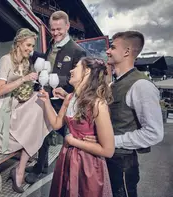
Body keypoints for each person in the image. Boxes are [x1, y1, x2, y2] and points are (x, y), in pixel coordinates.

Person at [84, 31, 164, 197]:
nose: (107, 51)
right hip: (108, 159)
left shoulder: (141, 85)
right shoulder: (114, 84)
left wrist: (111, 141)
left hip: (122, 164)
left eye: (112, 47)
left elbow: (154, 133)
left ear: (126, 52)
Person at [38, 57, 115, 197]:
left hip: (88, 163)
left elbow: (108, 150)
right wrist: (46, 102)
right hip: (67, 158)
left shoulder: (98, 104)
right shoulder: (70, 98)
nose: (71, 70)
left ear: (87, 71)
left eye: (76, 67)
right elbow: (56, 124)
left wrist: (73, 141)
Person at [25, 10, 86, 184]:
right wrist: (30, 53)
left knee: (69, 134)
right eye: (52, 29)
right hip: (47, 96)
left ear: (67, 26)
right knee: (42, 131)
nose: (56, 33)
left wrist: (57, 79)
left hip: (64, 99)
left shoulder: (77, 51)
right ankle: (41, 166)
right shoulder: (52, 44)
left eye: (59, 29)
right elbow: (47, 61)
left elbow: (80, 77)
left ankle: (74, 173)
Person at [0, 28, 52, 193]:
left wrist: (36, 82)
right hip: (5, 107)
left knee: (42, 102)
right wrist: (24, 78)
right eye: (28, 45)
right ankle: (19, 169)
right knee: (37, 114)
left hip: (18, 104)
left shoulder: (27, 63)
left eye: (32, 46)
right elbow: (0, 90)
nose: (31, 49)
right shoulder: (6, 60)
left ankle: (19, 170)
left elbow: (24, 90)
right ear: (18, 43)